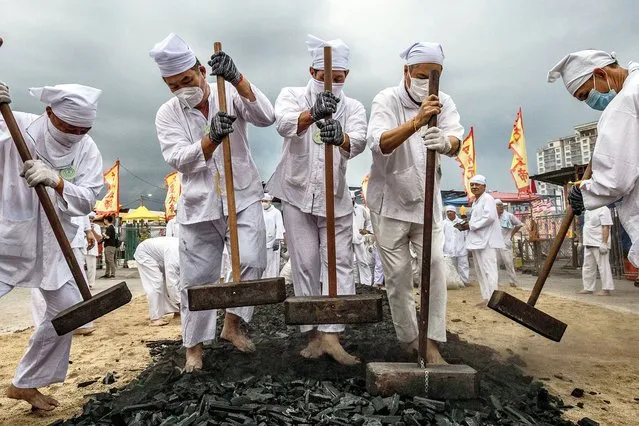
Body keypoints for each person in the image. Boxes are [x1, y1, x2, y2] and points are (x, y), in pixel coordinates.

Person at [150, 33, 273, 372]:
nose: (181, 88)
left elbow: (267, 116)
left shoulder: (228, 93)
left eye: (186, 80)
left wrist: (238, 78)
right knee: (196, 279)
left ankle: (231, 325)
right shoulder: (167, 114)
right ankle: (193, 349)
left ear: (201, 70)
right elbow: (178, 159)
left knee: (252, 260)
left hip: (243, 193)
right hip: (199, 203)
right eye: (173, 85)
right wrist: (211, 139)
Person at [0, 82, 103, 410]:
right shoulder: (16, 125)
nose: (75, 135)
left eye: (82, 129)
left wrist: (59, 182)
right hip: (6, 240)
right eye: (68, 127)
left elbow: (88, 199)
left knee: (67, 313)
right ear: (49, 112)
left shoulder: (87, 149)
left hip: (52, 244)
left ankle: (25, 384)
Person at [267, 34, 367, 365]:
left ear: (346, 78)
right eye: (326, 77)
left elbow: (360, 141)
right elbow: (283, 124)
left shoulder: (353, 106)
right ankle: (312, 335)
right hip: (296, 195)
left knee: (338, 264)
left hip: (335, 197)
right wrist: (311, 113)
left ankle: (332, 336)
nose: (333, 84)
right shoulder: (291, 95)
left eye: (338, 79)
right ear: (313, 72)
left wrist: (342, 137)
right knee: (305, 263)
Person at [366, 42, 464, 363]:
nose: (427, 82)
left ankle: (432, 341)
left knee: (435, 265)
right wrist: (416, 122)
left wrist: (447, 144)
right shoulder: (386, 99)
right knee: (398, 277)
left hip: (427, 201)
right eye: (421, 75)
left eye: (434, 75)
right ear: (406, 72)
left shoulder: (444, 102)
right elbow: (379, 143)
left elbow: (456, 138)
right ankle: (410, 340)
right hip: (389, 203)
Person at [548, 50, 639, 269]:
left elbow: (617, 178)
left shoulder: (624, 102)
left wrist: (587, 193)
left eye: (585, 95)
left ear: (600, 73)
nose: (589, 102)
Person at [462, 175, 504, 307]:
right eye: (472, 184)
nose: (474, 187)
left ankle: (493, 300)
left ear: (484, 186)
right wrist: (467, 225)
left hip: (488, 240)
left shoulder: (488, 199)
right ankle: (486, 297)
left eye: (477, 184)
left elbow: (490, 217)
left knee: (489, 270)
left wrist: (471, 225)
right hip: (478, 240)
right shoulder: (475, 201)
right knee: (480, 271)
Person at [134, 236, 181, 325]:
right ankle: (155, 317)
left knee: (170, 281)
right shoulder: (175, 254)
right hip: (145, 253)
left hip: (159, 255)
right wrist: (180, 303)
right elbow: (172, 282)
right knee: (156, 283)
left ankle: (176, 311)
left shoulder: (184, 250)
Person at [578, 206, 615, 295]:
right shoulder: (588, 209)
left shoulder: (604, 209)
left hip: (599, 242)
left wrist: (604, 243)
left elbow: (606, 226)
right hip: (588, 241)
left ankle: (606, 289)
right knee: (587, 266)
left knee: (603, 266)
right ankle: (588, 287)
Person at [495, 199, 523, 287]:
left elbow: (519, 224)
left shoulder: (509, 216)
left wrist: (511, 234)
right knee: (495, 264)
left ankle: (513, 282)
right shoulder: (492, 217)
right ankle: (496, 283)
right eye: (498, 205)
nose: (501, 207)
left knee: (509, 263)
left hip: (505, 242)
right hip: (495, 244)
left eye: (501, 205)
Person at [442, 205, 469, 287]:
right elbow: (441, 236)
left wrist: (467, 246)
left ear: (455, 212)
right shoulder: (443, 223)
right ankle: (453, 282)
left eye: (451, 211)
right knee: (450, 267)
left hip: (461, 248)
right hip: (448, 249)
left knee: (463, 266)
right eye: (448, 211)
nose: (449, 213)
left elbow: (467, 235)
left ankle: (465, 281)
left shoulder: (462, 222)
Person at [351, 191, 373, 286]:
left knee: (363, 261)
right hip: (347, 239)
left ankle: (366, 284)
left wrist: (365, 230)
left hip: (359, 239)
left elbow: (369, 220)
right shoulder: (343, 209)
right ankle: (354, 283)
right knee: (351, 262)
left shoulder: (361, 209)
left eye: (352, 199)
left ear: (355, 199)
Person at [261, 193, 284, 278]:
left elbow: (279, 226)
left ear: (270, 202)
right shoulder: (260, 212)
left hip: (273, 242)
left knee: (272, 264)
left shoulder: (276, 212)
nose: (263, 203)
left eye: (265, 201)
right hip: (262, 243)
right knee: (263, 265)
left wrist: (278, 240)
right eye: (262, 201)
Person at [86, 212, 102, 289]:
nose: (90, 219)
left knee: (91, 267)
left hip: (92, 250)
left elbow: (99, 239)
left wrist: (92, 230)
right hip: (83, 248)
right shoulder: (82, 225)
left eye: (92, 218)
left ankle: (90, 283)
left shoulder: (96, 226)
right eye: (89, 217)